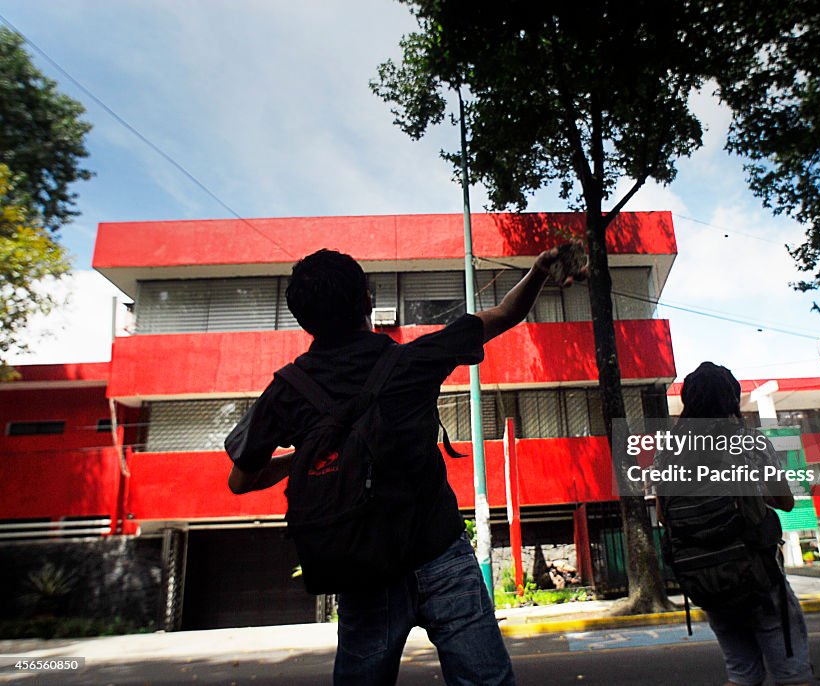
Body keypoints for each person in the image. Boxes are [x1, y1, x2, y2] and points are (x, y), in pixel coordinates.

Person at [224, 245, 583, 685]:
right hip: (440, 554)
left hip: (363, 572)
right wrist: (539, 271)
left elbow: (241, 480)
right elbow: (505, 315)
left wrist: (305, 457)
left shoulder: (287, 390)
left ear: (303, 320)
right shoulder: (413, 360)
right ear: (368, 301)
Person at [657, 362, 813, 686]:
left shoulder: (669, 450)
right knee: (792, 675)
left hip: (705, 578)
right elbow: (784, 501)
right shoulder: (746, 440)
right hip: (757, 576)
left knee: (741, 674)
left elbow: (663, 514)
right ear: (731, 398)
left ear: (688, 399)